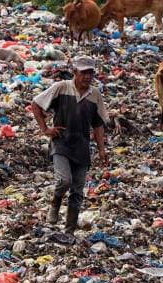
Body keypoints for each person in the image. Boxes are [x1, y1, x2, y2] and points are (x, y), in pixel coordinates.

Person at [31, 56, 109, 231]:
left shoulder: (95, 95)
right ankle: (56, 203)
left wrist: (102, 149)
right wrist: (45, 129)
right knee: (64, 180)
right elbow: (36, 104)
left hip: (82, 147)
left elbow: (97, 125)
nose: (88, 77)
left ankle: (69, 230)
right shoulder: (61, 88)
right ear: (75, 73)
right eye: (84, 73)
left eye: (91, 73)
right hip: (61, 143)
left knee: (77, 191)